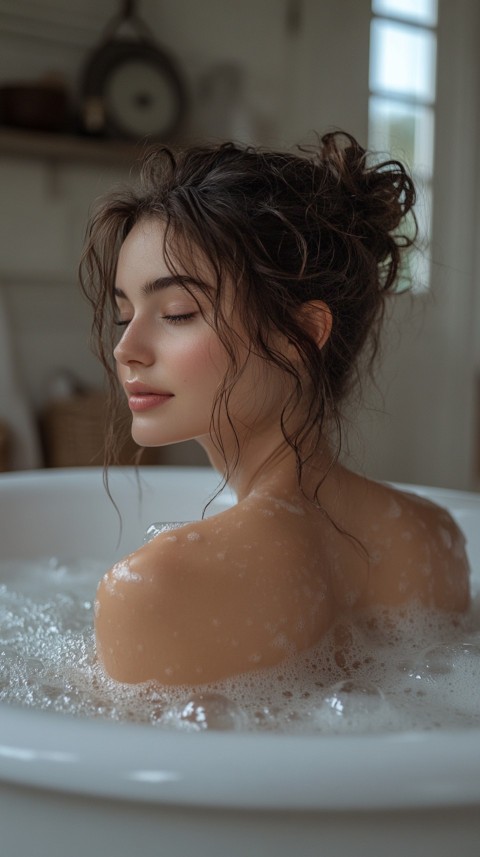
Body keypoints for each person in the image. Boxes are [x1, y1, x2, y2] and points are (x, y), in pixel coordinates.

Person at [80, 132, 470, 686]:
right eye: (125, 315)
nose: (126, 348)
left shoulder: (154, 588)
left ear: (301, 333)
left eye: (177, 312)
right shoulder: (434, 539)